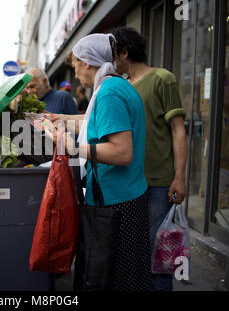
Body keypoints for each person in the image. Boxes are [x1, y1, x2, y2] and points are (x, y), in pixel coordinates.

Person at [48, 33, 153, 291]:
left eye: (75, 67)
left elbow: (120, 152)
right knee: (128, 278)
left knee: (111, 279)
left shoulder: (108, 92)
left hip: (115, 205)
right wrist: (59, 118)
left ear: (87, 62)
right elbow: (96, 122)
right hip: (127, 196)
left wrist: (72, 147)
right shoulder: (116, 86)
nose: (76, 75)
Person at [111, 26, 188, 291]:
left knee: (159, 258)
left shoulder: (162, 79)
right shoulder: (122, 86)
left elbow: (178, 130)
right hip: (130, 184)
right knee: (135, 256)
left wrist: (179, 177)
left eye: (114, 56)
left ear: (124, 52)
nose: (111, 63)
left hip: (158, 184)